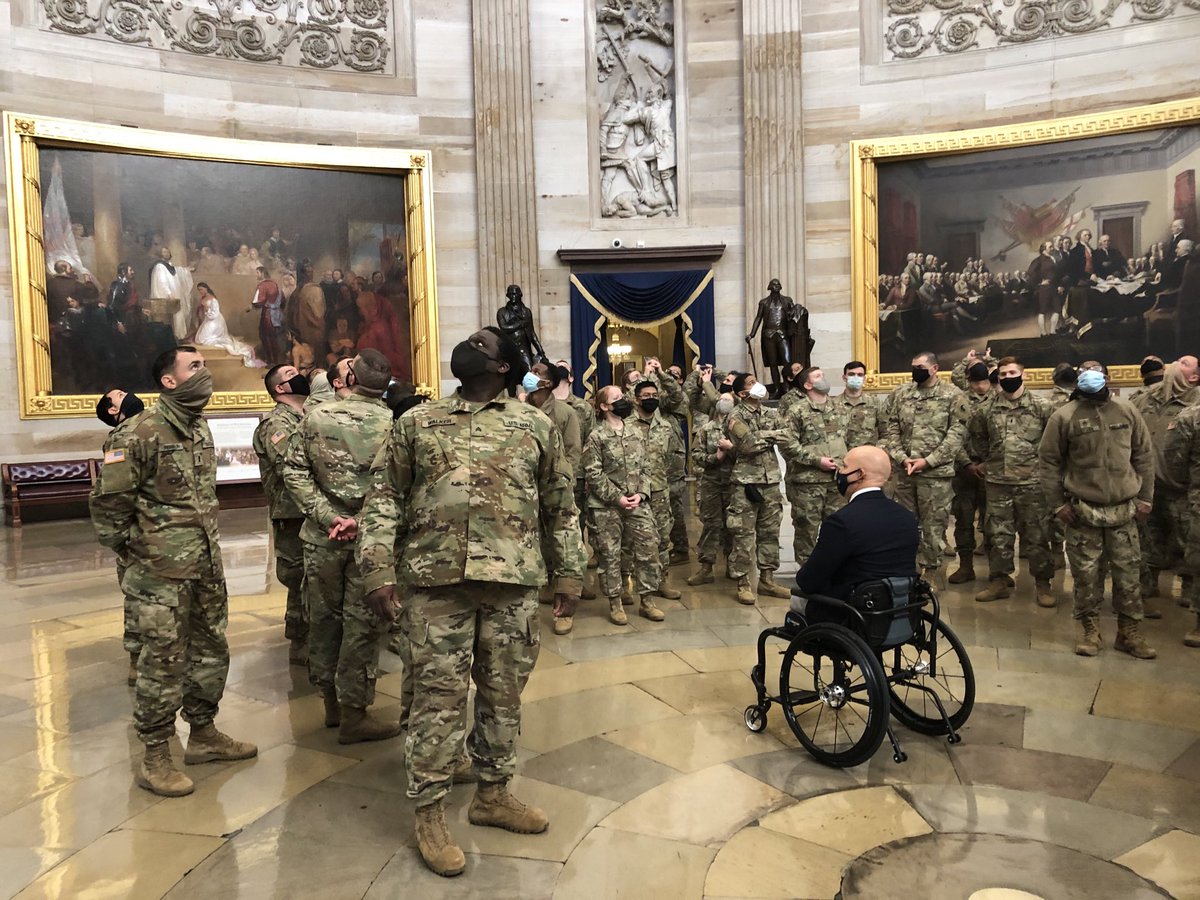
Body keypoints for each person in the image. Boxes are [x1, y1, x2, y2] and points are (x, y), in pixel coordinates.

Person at [356, 327, 584, 878]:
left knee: (503, 695)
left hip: (512, 582)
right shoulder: (418, 421)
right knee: (437, 699)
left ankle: (493, 794)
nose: (467, 348)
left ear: (504, 367)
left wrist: (570, 574)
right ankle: (430, 813)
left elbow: (560, 503)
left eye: (481, 344)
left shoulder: (534, 424)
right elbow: (383, 498)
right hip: (435, 584)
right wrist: (376, 569)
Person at [89, 347, 256, 797]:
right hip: (159, 572)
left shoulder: (198, 426)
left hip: (205, 564)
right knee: (162, 661)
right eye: (194, 366)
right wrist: (140, 554)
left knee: (210, 650)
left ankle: (203, 733)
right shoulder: (137, 433)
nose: (205, 373)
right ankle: (156, 756)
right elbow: (108, 508)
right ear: (169, 381)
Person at [282, 349, 401, 744]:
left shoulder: (316, 417)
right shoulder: (395, 424)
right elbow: (398, 486)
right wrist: (360, 521)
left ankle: (330, 704)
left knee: (323, 619)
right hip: (373, 542)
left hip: (322, 538)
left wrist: (327, 517)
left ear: (352, 379)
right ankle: (354, 713)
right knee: (362, 625)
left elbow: (293, 471)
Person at [1038, 360, 1156, 659]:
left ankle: (1129, 633)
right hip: (1083, 512)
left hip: (1124, 510)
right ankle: (1090, 631)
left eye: (1097, 372)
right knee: (1086, 576)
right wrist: (1057, 504)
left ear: (1107, 378)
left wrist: (1145, 498)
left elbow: (1144, 455)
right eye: (1085, 372)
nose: (1091, 377)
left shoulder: (1127, 410)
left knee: (1128, 576)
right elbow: (1049, 462)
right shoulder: (1064, 416)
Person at [967, 357, 1055, 606]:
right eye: (1003, 374)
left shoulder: (1042, 406)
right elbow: (978, 437)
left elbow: (1053, 442)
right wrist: (990, 460)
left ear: (1023, 374)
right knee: (998, 535)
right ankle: (999, 580)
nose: (1007, 377)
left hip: (1032, 483)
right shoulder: (986, 408)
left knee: (1037, 535)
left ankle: (1043, 584)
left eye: (1012, 373)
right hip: (997, 482)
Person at [882, 351, 969, 579]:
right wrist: (901, 456)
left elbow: (957, 435)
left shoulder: (953, 395)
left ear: (934, 368)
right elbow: (891, 427)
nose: (915, 372)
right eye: (913, 367)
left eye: (920, 367)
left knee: (933, 525)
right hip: (904, 472)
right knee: (903, 523)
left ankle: (930, 572)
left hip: (935, 475)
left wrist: (928, 462)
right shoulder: (902, 393)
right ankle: (906, 569)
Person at [794, 446, 919, 602]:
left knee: (798, 599)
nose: (840, 471)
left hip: (852, 608)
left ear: (860, 474)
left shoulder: (841, 522)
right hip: (901, 605)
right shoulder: (907, 517)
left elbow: (808, 581)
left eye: (845, 466)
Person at [583, 385, 662, 625]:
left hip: (637, 502)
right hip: (606, 506)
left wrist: (641, 494)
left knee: (649, 549)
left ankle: (647, 601)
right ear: (604, 406)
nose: (622, 400)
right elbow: (593, 473)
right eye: (616, 398)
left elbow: (647, 467)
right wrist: (616, 497)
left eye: (622, 396)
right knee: (610, 556)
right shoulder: (597, 436)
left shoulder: (636, 432)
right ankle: (615, 603)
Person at [1130, 358, 1200, 617]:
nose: (1173, 363)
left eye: (1183, 363)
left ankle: (1190, 588)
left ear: (1194, 377)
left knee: (1186, 541)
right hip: (1147, 485)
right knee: (1147, 539)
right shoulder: (1144, 399)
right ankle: (1147, 585)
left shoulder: (1196, 406)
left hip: (1184, 488)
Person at [251, 364, 310, 664]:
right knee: (298, 574)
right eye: (290, 374)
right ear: (280, 388)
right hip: (292, 512)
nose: (299, 375)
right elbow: (292, 464)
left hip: (311, 510)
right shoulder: (277, 423)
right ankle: (300, 640)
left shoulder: (307, 416)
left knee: (313, 574)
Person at [91, 387, 147, 685]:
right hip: (137, 538)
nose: (129, 394)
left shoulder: (148, 428)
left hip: (160, 536)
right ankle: (137, 659)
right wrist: (122, 543)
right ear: (113, 410)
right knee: (137, 598)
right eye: (121, 394)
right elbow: (111, 496)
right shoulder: (121, 438)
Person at [725, 372, 792, 604]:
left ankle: (767, 580)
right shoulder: (735, 415)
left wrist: (762, 436)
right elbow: (747, 446)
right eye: (752, 383)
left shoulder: (771, 413)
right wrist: (771, 436)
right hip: (746, 482)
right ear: (742, 392)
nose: (758, 385)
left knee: (770, 533)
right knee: (743, 534)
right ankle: (743, 583)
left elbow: (787, 435)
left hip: (771, 480)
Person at [780, 365, 848, 564]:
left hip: (836, 482)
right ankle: (808, 573)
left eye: (823, 375)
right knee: (807, 531)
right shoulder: (796, 410)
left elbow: (849, 440)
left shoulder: (840, 408)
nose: (823, 378)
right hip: (807, 483)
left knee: (837, 529)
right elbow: (787, 445)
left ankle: (834, 570)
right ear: (808, 385)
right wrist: (816, 460)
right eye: (818, 376)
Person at [627, 376, 683, 612]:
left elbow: (671, 457)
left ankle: (662, 580)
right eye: (646, 396)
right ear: (636, 399)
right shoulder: (626, 425)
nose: (651, 399)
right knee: (632, 541)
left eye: (654, 396)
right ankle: (626, 582)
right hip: (634, 491)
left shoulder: (666, 426)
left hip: (659, 489)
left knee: (662, 537)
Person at [947, 360, 994, 584]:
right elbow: (952, 435)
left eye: (985, 382)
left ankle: (997, 572)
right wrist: (966, 463)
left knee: (994, 521)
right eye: (977, 383)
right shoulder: (959, 400)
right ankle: (965, 567)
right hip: (963, 470)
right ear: (969, 382)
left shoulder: (998, 400)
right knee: (963, 519)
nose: (981, 387)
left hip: (991, 470)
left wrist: (987, 464)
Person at [688, 390, 736, 585]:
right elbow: (695, 455)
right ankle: (706, 568)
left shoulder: (740, 429)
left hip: (734, 483)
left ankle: (734, 566)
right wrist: (714, 458)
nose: (724, 402)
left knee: (734, 526)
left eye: (728, 400)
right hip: (712, 483)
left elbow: (749, 453)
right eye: (722, 399)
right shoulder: (706, 429)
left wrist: (732, 449)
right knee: (711, 524)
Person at [193, 282, 261, 367]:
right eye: (199, 290)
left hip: (215, 321)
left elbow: (215, 314)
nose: (200, 291)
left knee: (204, 339)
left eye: (201, 289)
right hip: (208, 319)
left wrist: (206, 311)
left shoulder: (213, 300)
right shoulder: (203, 298)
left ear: (206, 289)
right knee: (199, 339)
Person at [747, 279, 795, 391]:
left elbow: (794, 315)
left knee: (787, 362)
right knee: (773, 363)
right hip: (769, 335)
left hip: (783, 334)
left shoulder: (787, 300)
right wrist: (752, 334)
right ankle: (777, 388)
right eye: (774, 284)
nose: (776, 286)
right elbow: (758, 318)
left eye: (778, 284)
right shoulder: (764, 302)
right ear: (769, 287)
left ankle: (787, 386)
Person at [835, 361, 883, 448]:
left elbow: (885, 431)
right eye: (851, 374)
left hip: (866, 453)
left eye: (860, 375)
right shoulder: (833, 404)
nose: (856, 377)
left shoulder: (875, 403)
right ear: (844, 378)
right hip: (841, 454)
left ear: (864, 378)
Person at [251, 266, 286, 365]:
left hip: (268, 316)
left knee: (266, 336)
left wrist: (252, 306)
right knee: (274, 337)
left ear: (262, 273)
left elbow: (259, 301)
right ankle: (276, 360)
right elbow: (283, 300)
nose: (256, 275)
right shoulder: (275, 284)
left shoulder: (262, 285)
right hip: (277, 315)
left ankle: (271, 361)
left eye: (257, 273)